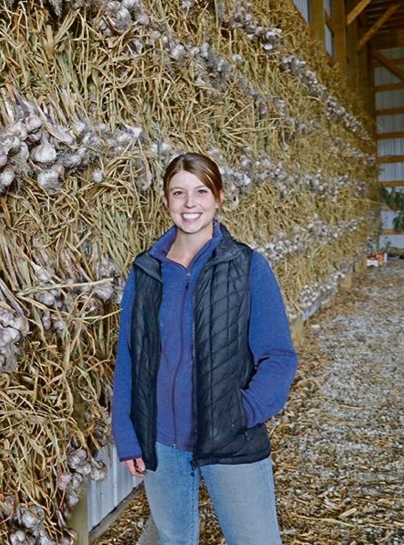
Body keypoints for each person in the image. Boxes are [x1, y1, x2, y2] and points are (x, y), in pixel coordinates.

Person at [111, 152, 299, 544]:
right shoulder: (146, 270)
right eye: (178, 193)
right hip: (163, 442)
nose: (189, 203)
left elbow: (278, 356)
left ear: (219, 197)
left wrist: (242, 411)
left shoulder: (247, 266)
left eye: (200, 191)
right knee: (173, 538)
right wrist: (128, 434)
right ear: (166, 201)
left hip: (231, 438)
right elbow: (129, 356)